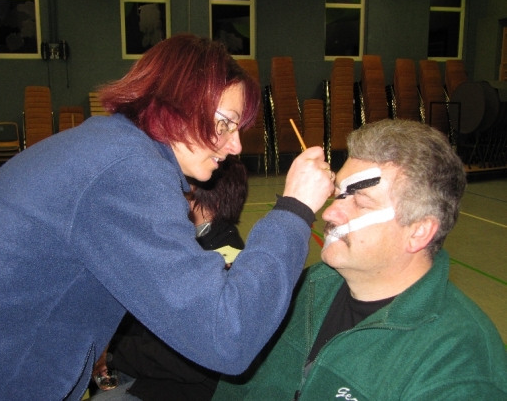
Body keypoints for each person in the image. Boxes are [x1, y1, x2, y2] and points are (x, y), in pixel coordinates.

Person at [0, 34, 334, 400]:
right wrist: (295, 208)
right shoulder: (127, 169)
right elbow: (227, 335)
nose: (235, 145)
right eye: (226, 123)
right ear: (178, 102)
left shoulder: (106, 148)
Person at [213, 119, 507, 400]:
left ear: (418, 232)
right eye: (339, 194)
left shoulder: (459, 360)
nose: (329, 212)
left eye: (361, 202)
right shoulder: (306, 286)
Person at [90, 155, 249, 401]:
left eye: (186, 192)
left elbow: (184, 361)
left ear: (213, 203)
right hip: (143, 363)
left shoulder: (224, 264)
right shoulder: (187, 242)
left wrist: (112, 351)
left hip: (176, 384)